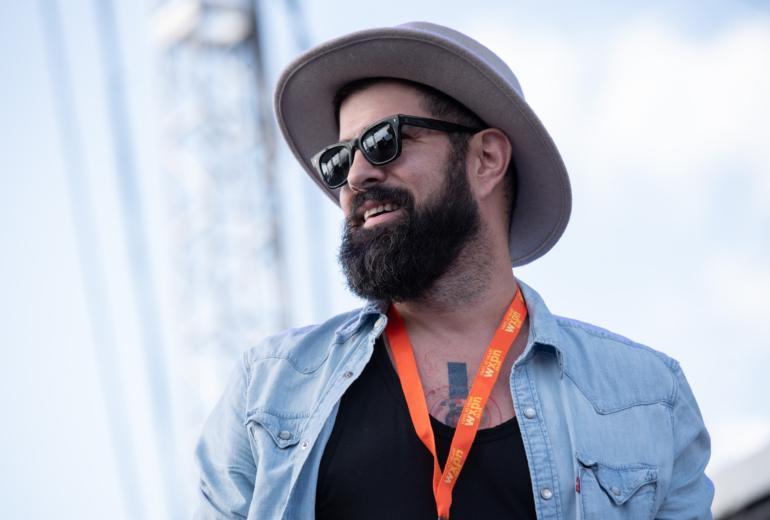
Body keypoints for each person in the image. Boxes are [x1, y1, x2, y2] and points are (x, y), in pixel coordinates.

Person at [194, 22, 713, 519]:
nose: (355, 176)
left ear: (486, 159)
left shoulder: (649, 399)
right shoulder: (269, 389)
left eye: (383, 141)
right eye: (339, 159)